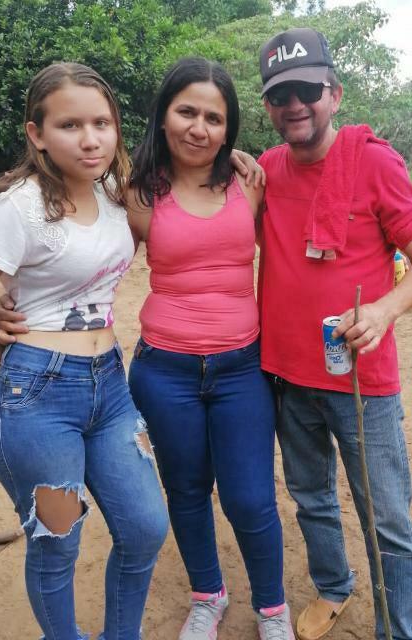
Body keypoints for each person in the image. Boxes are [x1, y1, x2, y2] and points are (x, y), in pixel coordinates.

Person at [0, 63, 169, 639]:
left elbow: (186, 180)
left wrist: (236, 158)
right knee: (57, 544)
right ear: (37, 134)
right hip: (38, 397)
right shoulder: (19, 208)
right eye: (70, 125)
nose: (90, 139)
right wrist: (9, 353)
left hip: (110, 387)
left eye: (102, 123)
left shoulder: (113, 195)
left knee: (145, 528)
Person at [256, 28, 412, 640]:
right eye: (280, 96)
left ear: (334, 94)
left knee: (385, 517)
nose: (295, 105)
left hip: (363, 381)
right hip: (287, 376)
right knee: (311, 498)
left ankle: (400, 628)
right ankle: (334, 586)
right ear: (269, 107)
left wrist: (384, 310)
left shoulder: (374, 162)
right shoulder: (265, 171)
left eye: (308, 91)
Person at [125, 57, 293, 640]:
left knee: (250, 498)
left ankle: (272, 609)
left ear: (229, 129)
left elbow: (294, 246)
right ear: (163, 116)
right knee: (187, 490)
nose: (199, 128)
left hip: (241, 369)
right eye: (187, 112)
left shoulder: (249, 182)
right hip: (163, 371)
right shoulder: (137, 194)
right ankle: (207, 596)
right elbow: (89, 262)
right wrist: (18, 300)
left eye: (214, 118)